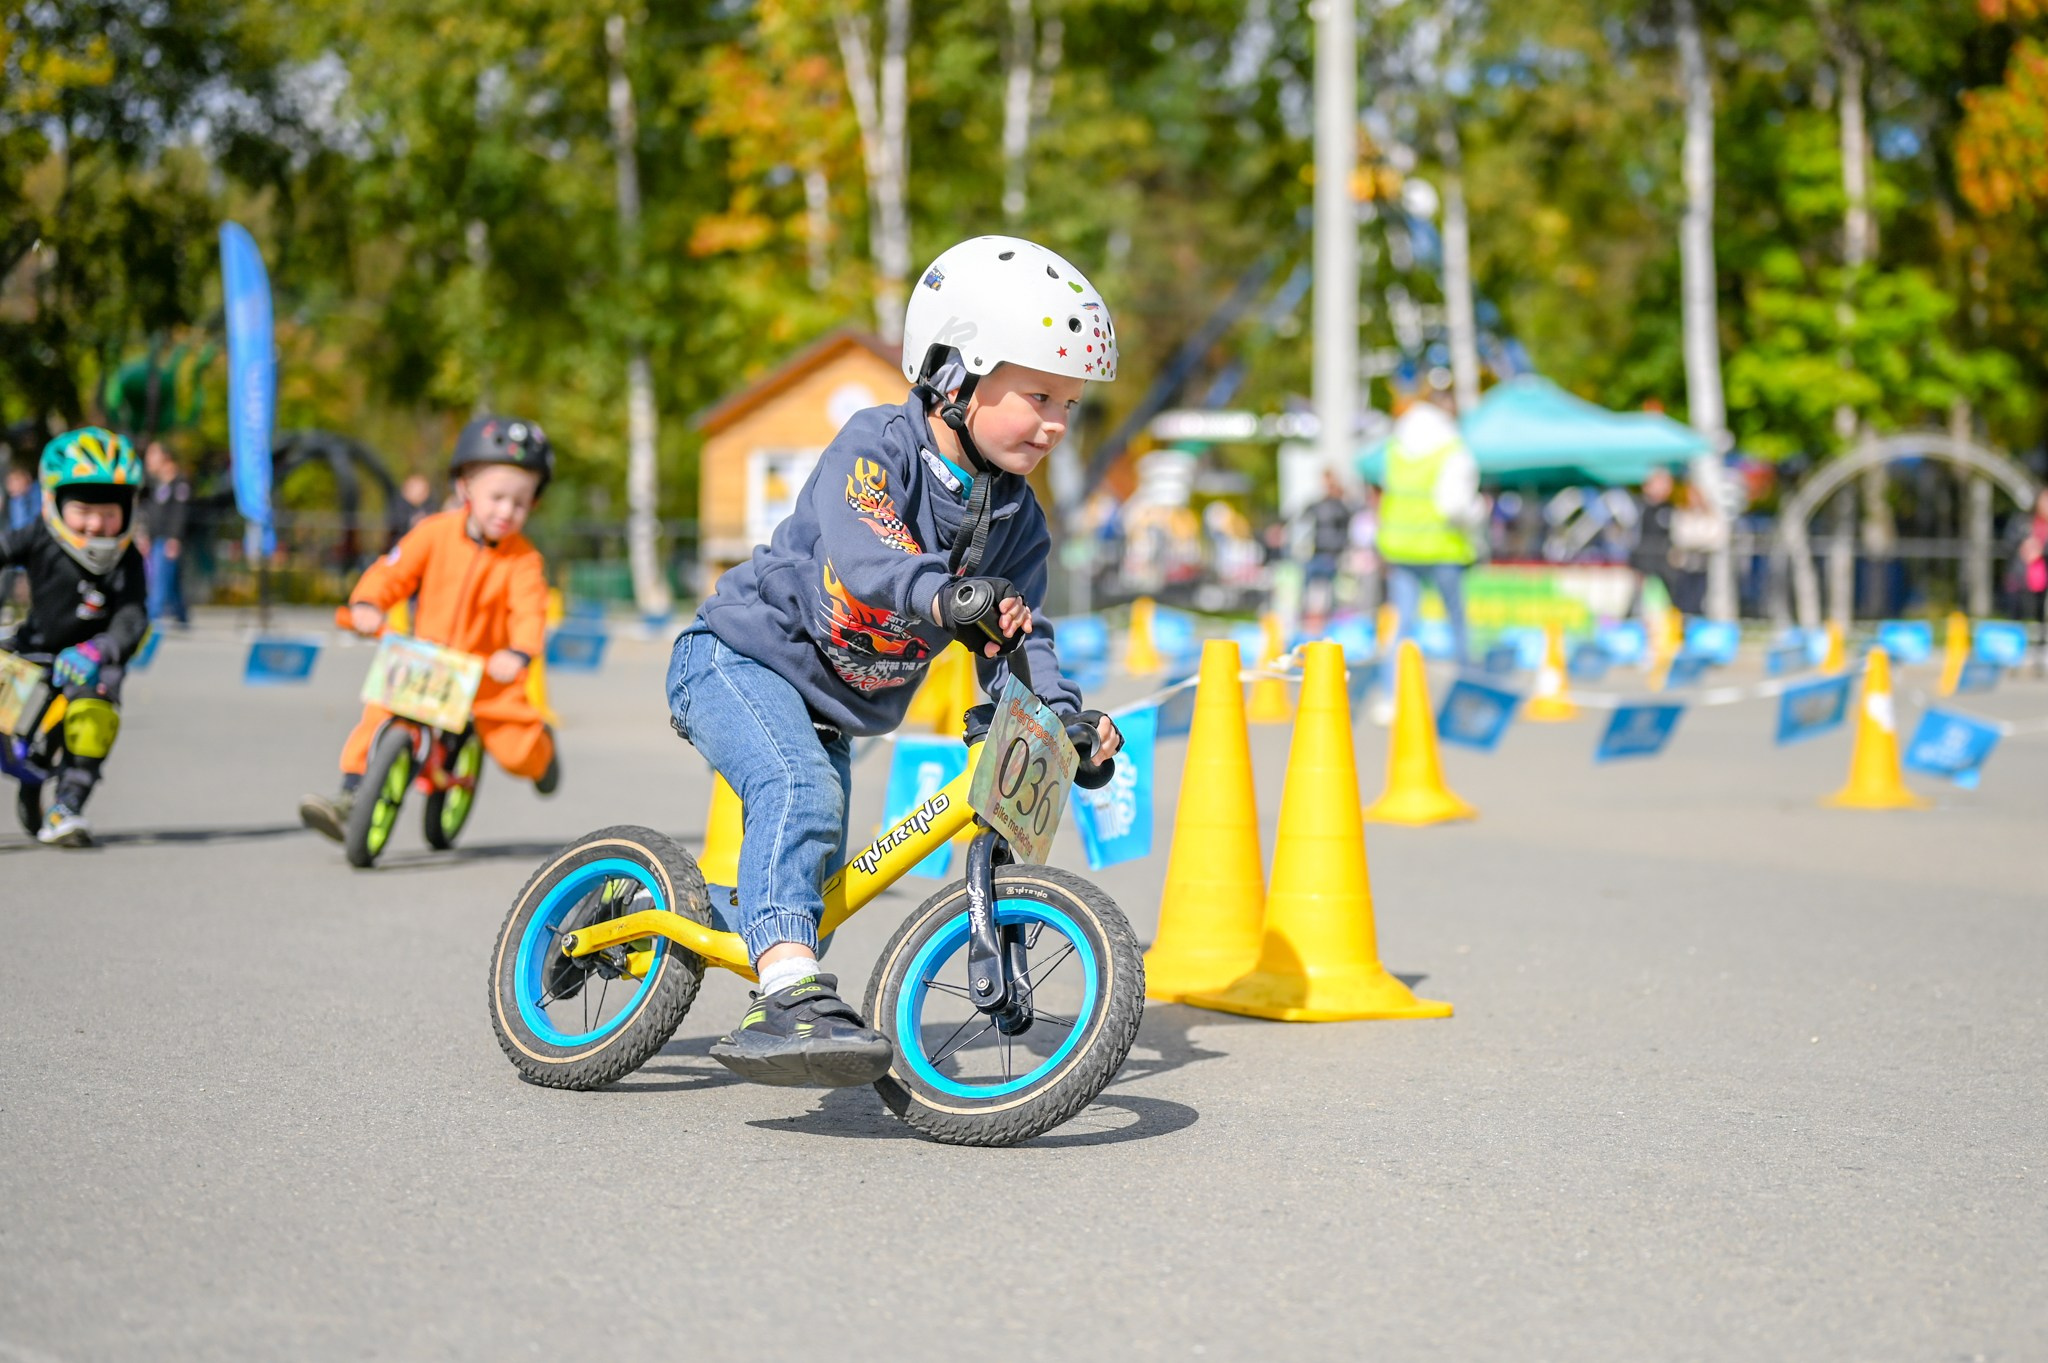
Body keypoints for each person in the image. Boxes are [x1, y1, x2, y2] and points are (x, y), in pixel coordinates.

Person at [669, 234, 1124, 1088]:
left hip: (834, 709)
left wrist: (1065, 721)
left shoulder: (1018, 523)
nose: (1057, 423)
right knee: (799, 794)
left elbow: (1021, 637)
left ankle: (762, 943)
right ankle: (783, 1001)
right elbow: (867, 552)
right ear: (954, 373)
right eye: (1038, 395)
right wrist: (947, 597)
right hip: (739, 656)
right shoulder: (878, 446)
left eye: (1070, 402)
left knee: (810, 883)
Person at [297, 416, 560, 839]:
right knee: (379, 714)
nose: (506, 511)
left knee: (517, 747)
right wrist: (368, 604)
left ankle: (542, 755)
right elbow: (393, 572)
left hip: (486, 673)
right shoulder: (434, 533)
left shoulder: (523, 560)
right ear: (465, 487)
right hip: (426, 661)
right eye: (497, 497)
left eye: (520, 503)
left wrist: (519, 652)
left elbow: (530, 610)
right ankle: (351, 797)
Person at [0, 429, 149, 846]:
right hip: (32, 648)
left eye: (109, 513)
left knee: (92, 713)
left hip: (90, 660)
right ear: (54, 504)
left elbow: (133, 617)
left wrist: (100, 649)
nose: (96, 524)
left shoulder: (127, 559)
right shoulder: (38, 535)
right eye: (83, 511)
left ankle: (68, 805)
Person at [1378, 390, 1483, 673]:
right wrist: (1478, 512)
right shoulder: (1451, 446)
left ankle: (1392, 689)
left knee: (1402, 625)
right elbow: (1455, 506)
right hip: (1442, 546)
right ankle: (1467, 684)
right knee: (1457, 623)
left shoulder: (1396, 445)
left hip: (1401, 547)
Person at [139, 440, 193, 627]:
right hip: (156, 538)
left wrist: (174, 538)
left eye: (153, 454)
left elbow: (180, 513)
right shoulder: (157, 485)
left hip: (167, 540)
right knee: (172, 581)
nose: (148, 460)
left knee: (159, 582)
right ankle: (181, 615)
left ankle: (150, 620)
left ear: (166, 457)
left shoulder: (179, 483)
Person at [1297, 471, 1355, 629]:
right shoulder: (1318, 505)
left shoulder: (1341, 507)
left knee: (1332, 594)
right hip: (1317, 553)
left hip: (1333, 555)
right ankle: (1308, 622)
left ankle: (1330, 623)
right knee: (1309, 592)